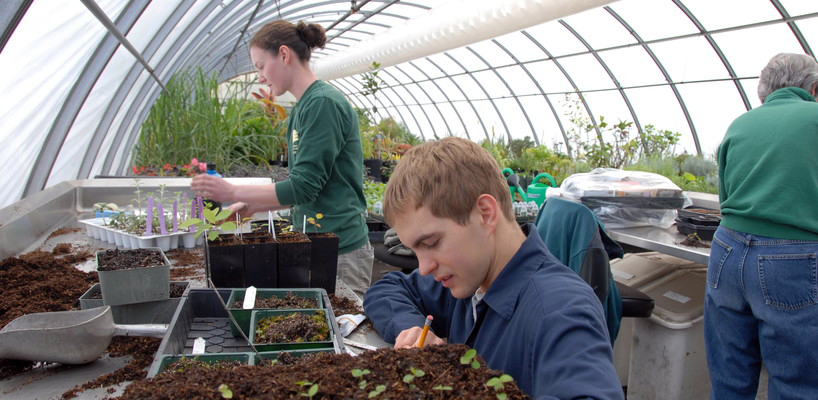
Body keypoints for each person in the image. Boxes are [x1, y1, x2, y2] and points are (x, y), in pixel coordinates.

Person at [363, 137, 622, 399]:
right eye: (416, 250)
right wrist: (411, 327)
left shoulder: (560, 310)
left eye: (432, 243)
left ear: (485, 214)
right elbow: (387, 288)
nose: (424, 267)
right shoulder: (473, 281)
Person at [191, 20, 373, 299]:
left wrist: (231, 191)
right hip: (315, 243)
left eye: (261, 66)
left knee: (344, 334)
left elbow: (304, 187)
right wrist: (251, 205)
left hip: (341, 251)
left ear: (284, 55)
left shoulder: (323, 103)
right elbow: (302, 190)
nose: (260, 77)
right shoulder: (303, 109)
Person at [705, 53, 818, 399]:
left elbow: (726, 197)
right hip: (792, 258)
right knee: (795, 385)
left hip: (726, 251)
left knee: (729, 377)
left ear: (763, 93)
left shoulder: (740, 123)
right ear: (814, 87)